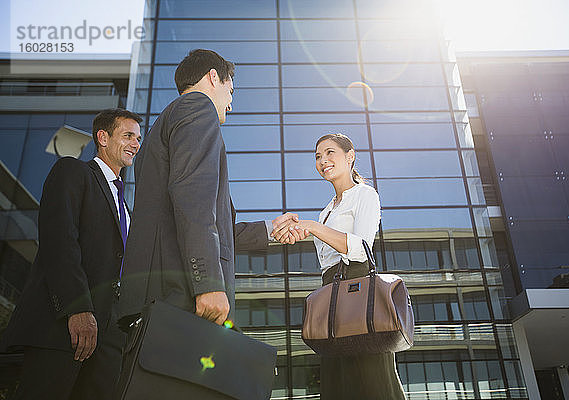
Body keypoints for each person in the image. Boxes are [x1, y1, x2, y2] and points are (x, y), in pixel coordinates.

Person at [118, 49, 305, 330]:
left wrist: (269, 228)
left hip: (158, 298)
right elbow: (193, 200)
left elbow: (194, 216)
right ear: (213, 77)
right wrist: (207, 283)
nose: (230, 103)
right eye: (230, 91)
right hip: (180, 297)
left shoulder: (165, 123)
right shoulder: (197, 107)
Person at [0, 109, 142, 400]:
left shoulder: (126, 208)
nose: (136, 143)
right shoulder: (73, 172)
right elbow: (60, 242)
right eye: (128, 135)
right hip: (65, 329)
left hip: (109, 339)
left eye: (138, 138)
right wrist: (77, 308)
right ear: (103, 137)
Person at [271, 133, 406, 400]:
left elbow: (360, 249)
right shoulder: (326, 211)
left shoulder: (365, 195)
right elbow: (327, 263)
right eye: (318, 157)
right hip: (331, 292)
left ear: (350, 155)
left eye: (330, 153)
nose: (323, 161)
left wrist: (312, 227)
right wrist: (297, 232)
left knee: (373, 379)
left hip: (357, 289)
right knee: (337, 382)